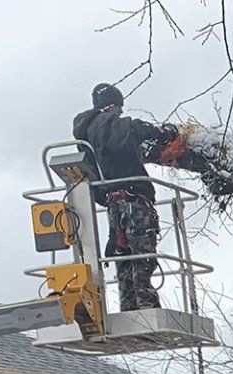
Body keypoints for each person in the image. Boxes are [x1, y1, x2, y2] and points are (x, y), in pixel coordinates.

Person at [70, 84, 181, 311]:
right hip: (133, 199)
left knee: (124, 252)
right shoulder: (105, 124)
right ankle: (146, 304)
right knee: (142, 251)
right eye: (119, 107)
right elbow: (133, 129)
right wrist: (164, 132)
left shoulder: (89, 134)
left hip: (116, 201)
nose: (121, 111)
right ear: (111, 105)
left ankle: (129, 305)